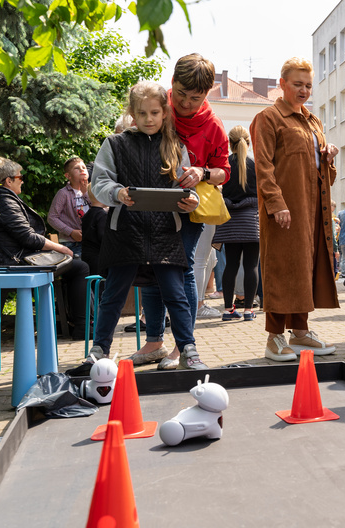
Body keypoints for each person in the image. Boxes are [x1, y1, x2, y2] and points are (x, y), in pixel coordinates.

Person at [87, 81, 207, 369]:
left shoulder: (176, 146)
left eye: (155, 112)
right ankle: (99, 351)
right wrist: (118, 193)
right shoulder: (114, 143)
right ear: (132, 113)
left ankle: (188, 350)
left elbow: (188, 189)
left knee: (176, 295)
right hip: (125, 232)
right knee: (113, 295)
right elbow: (99, 183)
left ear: (165, 112)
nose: (149, 119)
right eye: (142, 113)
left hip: (165, 233)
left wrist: (191, 200)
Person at [133, 54, 230, 370]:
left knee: (180, 266)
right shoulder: (159, 107)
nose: (186, 103)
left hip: (188, 207)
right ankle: (154, 342)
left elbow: (223, 171)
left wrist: (202, 172)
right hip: (151, 200)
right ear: (172, 82)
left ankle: (183, 346)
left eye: (196, 98)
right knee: (150, 265)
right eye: (182, 94)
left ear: (207, 94)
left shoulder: (213, 126)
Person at [251, 57, 339, 362]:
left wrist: (328, 158)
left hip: (313, 208)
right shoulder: (268, 117)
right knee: (281, 267)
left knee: (305, 268)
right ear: (282, 84)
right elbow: (262, 167)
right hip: (285, 209)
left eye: (308, 85)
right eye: (297, 84)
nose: (303, 90)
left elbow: (321, 172)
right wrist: (276, 204)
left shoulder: (313, 121)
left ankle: (300, 333)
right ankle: (274, 337)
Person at [0, 156, 89, 339]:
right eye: (20, 177)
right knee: (79, 266)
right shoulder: (3, 200)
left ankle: (66, 322)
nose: (22, 181)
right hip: (13, 262)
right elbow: (28, 237)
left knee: (72, 265)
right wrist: (61, 248)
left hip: (11, 258)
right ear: (8, 180)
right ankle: (82, 327)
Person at [213, 125, 260, 322]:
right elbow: (261, 196)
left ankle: (227, 310)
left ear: (229, 143)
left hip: (230, 222)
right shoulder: (255, 165)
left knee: (230, 266)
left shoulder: (224, 167)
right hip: (250, 222)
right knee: (251, 267)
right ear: (248, 143)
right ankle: (249, 310)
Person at [48, 157, 90, 257]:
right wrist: (71, 232)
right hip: (71, 244)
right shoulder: (63, 194)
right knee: (79, 271)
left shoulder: (92, 191)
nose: (82, 169)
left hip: (91, 242)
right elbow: (52, 218)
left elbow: (100, 210)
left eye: (84, 167)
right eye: (77, 168)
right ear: (68, 176)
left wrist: (86, 194)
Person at [80, 189, 107, 276]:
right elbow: (103, 237)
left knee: (92, 282)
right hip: (98, 256)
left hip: (86, 255)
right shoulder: (102, 215)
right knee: (101, 285)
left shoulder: (87, 214)